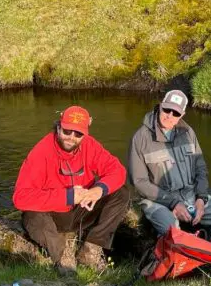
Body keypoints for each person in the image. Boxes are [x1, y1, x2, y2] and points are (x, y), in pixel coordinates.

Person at [13, 105, 129, 273]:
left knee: (122, 193)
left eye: (78, 134)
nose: (71, 138)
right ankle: (63, 258)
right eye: (67, 131)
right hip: (52, 215)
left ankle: (91, 250)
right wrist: (67, 197)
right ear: (59, 126)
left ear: (85, 134)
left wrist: (97, 190)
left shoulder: (90, 145)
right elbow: (20, 197)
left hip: (81, 210)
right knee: (32, 216)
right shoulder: (41, 151)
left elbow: (118, 171)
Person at [127, 86, 211, 243]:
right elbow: (139, 182)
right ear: (161, 105)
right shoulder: (140, 138)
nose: (169, 116)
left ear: (182, 114)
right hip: (158, 200)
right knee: (173, 232)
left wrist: (201, 198)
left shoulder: (188, 133)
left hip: (191, 196)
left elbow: (200, 169)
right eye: (167, 110)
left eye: (176, 113)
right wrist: (173, 202)